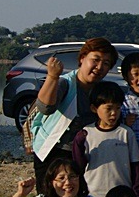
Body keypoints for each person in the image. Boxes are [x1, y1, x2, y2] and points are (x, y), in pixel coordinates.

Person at [29, 37, 118, 188]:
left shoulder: (102, 90)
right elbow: (45, 108)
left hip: (85, 154)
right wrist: (52, 77)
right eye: (95, 60)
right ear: (82, 58)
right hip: (55, 152)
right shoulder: (65, 83)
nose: (99, 67)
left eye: (106, 63)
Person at [70, 81, 139, 197]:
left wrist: (138, 195)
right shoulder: (86, 133)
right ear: (94, 108)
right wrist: (78, 143)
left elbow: (136, 166)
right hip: (94, 196)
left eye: (118, 108)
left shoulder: (126, 133)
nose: (114, 113)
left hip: (122, 195)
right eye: (108, 108)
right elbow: (79, 165)